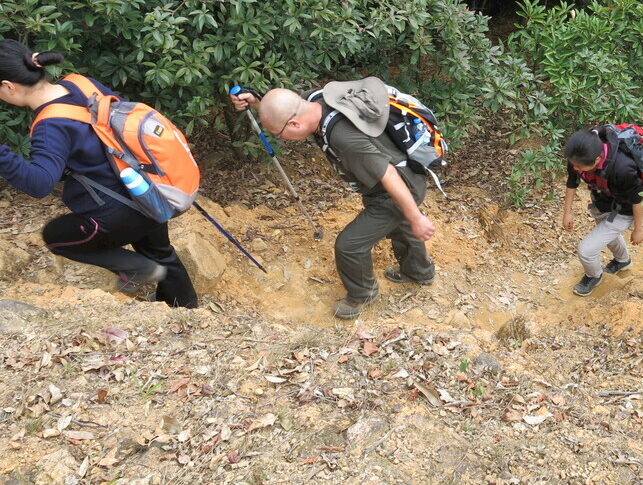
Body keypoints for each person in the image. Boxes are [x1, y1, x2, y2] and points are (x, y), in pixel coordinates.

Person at [0, 41, 198, 307]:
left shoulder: (50, 126)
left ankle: (137, 268)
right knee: (162, 253)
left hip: (117, 212)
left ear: (9, 86)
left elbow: (39, 185)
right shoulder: (81, 84)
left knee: (56, 237)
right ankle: (187, 312)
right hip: (148, 190)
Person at [230, 78, 436, 320]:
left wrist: (416, 217)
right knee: (399, 224)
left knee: (350, 245)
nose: (281, 138)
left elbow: (388, 174)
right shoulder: (314, 100)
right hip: (391, 178)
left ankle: (363, 294)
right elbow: (283, 111)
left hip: (400, 185)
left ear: (295, 124)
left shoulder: (343, 138)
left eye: (279, 133)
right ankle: (419, 272)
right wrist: (256, 103)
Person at [561, 127, 643, 297]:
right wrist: (567, 212)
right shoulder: (578, 158)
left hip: (625, 210)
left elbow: (637, 201)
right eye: (573, 165)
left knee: (586, 250)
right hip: (603, 201)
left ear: (597, 159)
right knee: (608, 235)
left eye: (580, 166)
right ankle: (623, 261)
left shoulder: (623, 168)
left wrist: (638, 230)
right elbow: (572, 183)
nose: (576, 168)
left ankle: (594, 276)